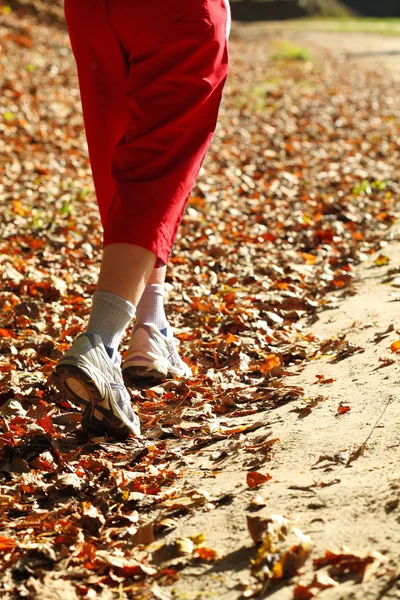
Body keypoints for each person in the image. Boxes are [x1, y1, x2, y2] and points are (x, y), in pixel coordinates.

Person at [52, 0, 230, 439]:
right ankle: (102, 340)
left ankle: (151, 328)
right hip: (178, 11)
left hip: (92, 10)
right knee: (157, 167)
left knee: (121, 161)